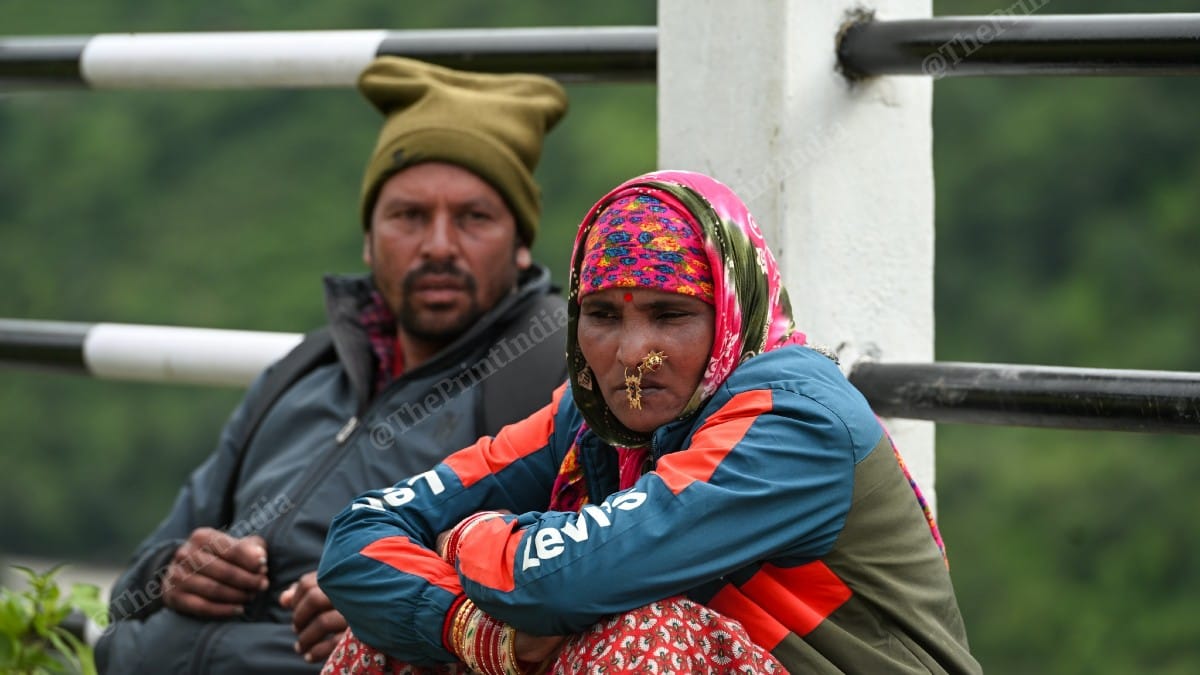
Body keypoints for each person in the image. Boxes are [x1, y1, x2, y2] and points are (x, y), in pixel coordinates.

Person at [316, 169, 982, 673]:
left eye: (669, 315)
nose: (632, 353)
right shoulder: (587, 420)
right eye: (603, 316)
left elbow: (556, 581)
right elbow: (357, 538)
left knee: (644, 633)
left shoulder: (795, 418)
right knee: (387, 636)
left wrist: (468, 537)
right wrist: (474, 627)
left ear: (731, 311)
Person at [95, 55, 571, 674]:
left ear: (522, 241)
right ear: (369, 237)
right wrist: (175, 571)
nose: (438, 245)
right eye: (408, 215)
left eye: (474, 217)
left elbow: (570, 594)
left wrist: (400, 608)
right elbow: (131, 586)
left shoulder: (551, 377)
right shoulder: (302, 371)